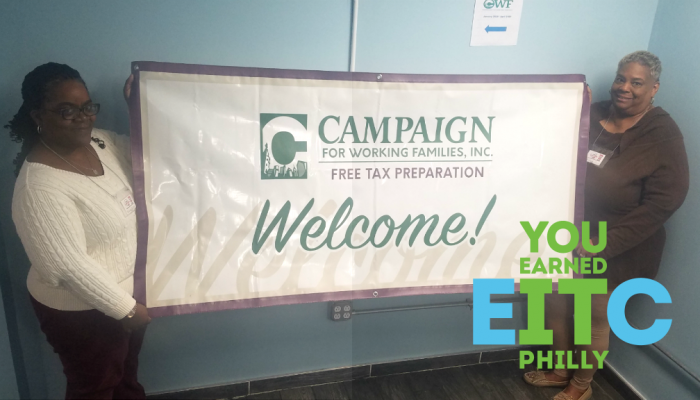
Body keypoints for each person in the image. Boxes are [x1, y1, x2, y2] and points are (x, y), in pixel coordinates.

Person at [523, 51, 689, 400]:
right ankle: (559, 369)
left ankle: (581, 386)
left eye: (636, 82)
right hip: (567, 235)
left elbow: (665, 201)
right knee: (553, 302)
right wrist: (570, 101)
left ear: (654, 88)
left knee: (589, 316)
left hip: (619, 245)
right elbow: (549, 139)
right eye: (620, 78)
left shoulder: (662, 134)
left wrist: (607, 242)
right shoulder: (594, 112)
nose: (624, 87)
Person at [8, 62, 150, 399]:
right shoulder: (39, 187)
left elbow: (146, 154)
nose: (83, 117)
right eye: (66, 110)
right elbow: (66, 266)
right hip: (84, 311)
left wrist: (140, 106)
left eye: (87, 107)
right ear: (37, 115)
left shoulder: (101, 143)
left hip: (127, 296)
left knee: (126, 379)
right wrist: (125, 310)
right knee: (95, 388)